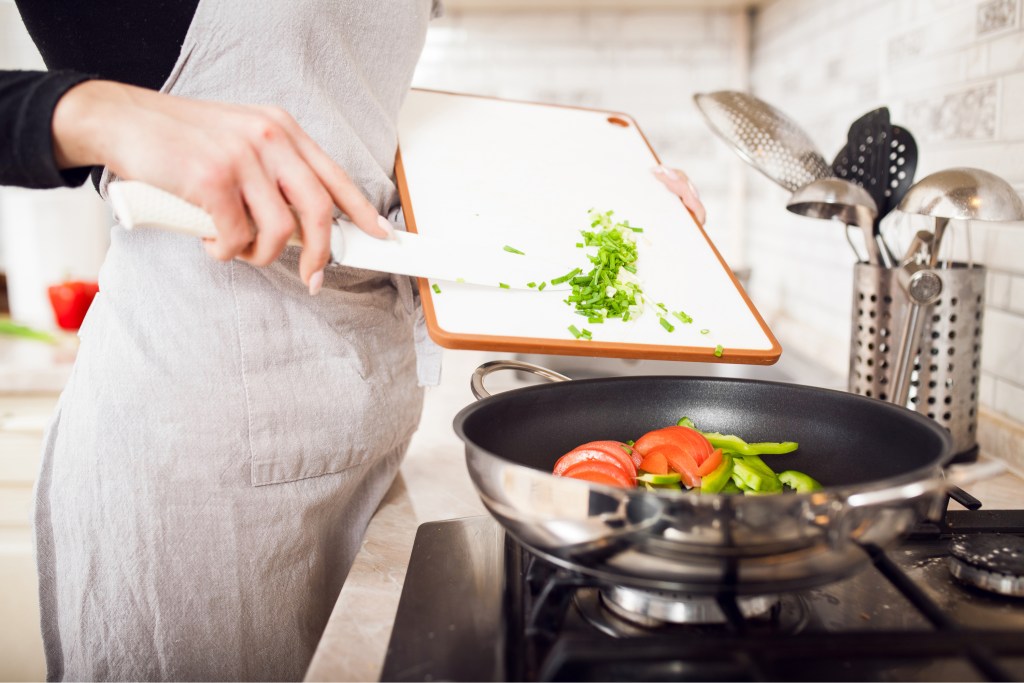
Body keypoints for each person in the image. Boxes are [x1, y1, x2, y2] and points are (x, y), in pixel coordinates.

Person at [0, 1, 706, 680]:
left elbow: (357, 163)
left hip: (368, 431)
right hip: (197, 449)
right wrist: (97, 112)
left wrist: (609, 205)